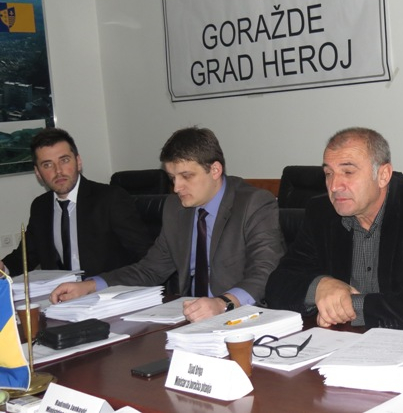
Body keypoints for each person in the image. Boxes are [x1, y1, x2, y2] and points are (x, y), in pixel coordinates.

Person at [50, 127, 285, 322]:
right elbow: (150, 270)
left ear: (215, 170)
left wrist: (222, 303)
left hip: (243, 318)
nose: (176, 187)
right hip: (188, 318)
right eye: (172, 178)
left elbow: (265, 273)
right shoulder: (176, 208)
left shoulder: (253, 204)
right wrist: (91, 285)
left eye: (186, 176)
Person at [264, 127, 403, 330]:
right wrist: (321, 286)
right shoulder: (320, 211)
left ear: (383, 175)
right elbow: (277, 286)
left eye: (348, 172)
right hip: (342, 339)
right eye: (328, 173)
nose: (334, 186)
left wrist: (349, 305)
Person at [0, 128, 153, 278]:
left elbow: (146, 257)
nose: (58, 171)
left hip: (105, 290)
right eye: (47, 165)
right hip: (59, 292)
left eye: (64, 160)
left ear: (78, 162)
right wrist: (3, 268)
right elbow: (26, 256)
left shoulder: (110, 199)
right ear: (38, 173)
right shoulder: (41, 206)